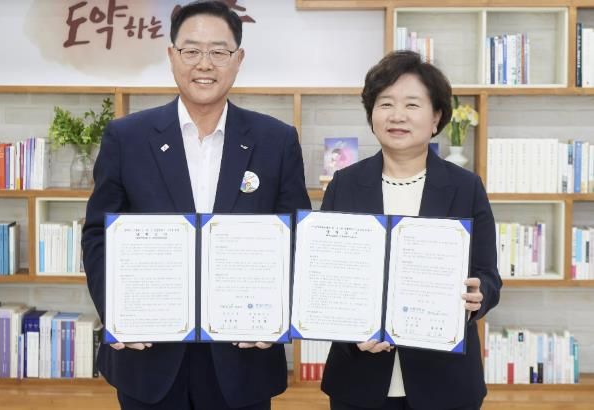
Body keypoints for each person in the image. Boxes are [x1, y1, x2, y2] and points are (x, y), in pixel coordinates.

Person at [81, 2, 310, 409]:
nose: (204, 64)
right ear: (172, 56)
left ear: (238, 59)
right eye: (191, 50)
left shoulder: (276, 141)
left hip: (242, 356)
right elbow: (98, 234)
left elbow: (297, 237)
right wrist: (117, 310)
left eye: (219, 51)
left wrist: (279, 310)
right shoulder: (127, 137)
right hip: (148, 354)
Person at [320, 50, 502, 410]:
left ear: (436, 118)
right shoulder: (345, 184)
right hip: (359, 377)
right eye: (385, 103)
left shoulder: (465, 187)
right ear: (372, 115)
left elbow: (488, 275)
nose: (397, 115)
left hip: (445, 380)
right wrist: (350, 332)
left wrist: (479, 296)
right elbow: (325, 277)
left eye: (412, 105)